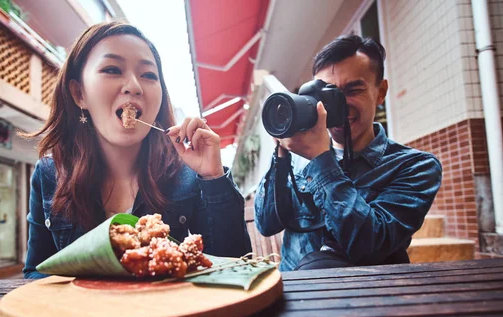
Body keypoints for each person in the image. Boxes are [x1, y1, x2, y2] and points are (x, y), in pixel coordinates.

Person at [22, 22, 251, 279]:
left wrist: (213, 177)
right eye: (112, 69)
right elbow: (36, 272)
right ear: (79, 94)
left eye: (149, 75)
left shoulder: (190, 173)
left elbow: (237, 268)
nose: (134, 86)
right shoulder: (50, 175)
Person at [255, 35, 442, 271]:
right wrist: (281, 155)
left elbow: (370, 244)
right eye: (325, 94)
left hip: (369, 297)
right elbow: (266, 224)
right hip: (298, 296)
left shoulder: (415, 166)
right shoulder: (298, 161)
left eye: (353, 90)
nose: (337, 106)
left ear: (381, 92)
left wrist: (322, 162)